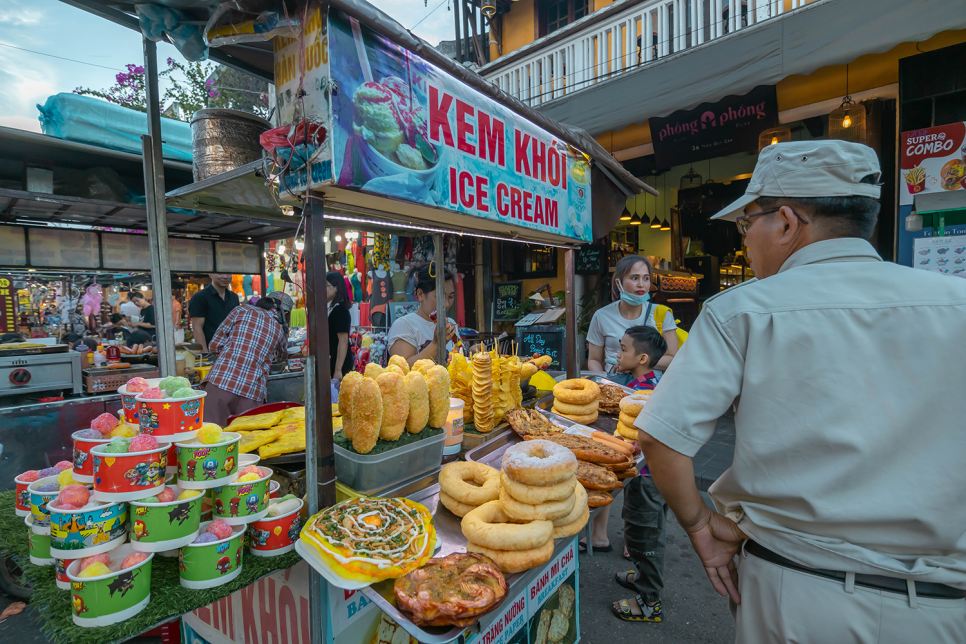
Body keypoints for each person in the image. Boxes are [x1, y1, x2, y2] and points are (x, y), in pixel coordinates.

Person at [636, 140, 966, 643]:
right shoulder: (957, 303)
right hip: (943, 608)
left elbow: (662, 438)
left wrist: (700, 525)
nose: (746, 240)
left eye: (748, 224)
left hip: (797, 594)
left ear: (787, 222)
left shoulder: (741, 311)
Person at [582, 255, 680, 552]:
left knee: (644, 464)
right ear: (619, 282)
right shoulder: (602, 316)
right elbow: (594, 358)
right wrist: (606, 381)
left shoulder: (662, 313)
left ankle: (635, 539)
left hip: (651, 396)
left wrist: (636, 361)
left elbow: (675, 358)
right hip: (613, 396)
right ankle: (599, 534)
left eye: (646, 278)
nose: (641, 284)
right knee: (611, 459)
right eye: (634, 278)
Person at [606, 325, 669, 621]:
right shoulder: (645, 384)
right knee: (638, 527)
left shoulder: (645, 397)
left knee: (646, 537)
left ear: (642, 358)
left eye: (623, 349)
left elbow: (637, 442)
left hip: (647, 478)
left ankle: (649, 601)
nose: (618, 353)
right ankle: (640, 575)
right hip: (644, 478)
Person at [203, 297, 286, 427]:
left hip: (221, 382)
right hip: (252, 392)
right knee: (246, 442)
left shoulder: (240, 310)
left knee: (211, 436)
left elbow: (214, 345)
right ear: (282, 312)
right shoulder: (279, 328)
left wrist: (234, 352)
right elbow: (281, 358)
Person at [387, 263, 457, 367]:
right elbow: (403, 369)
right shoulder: (405, 326)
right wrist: (436, 344)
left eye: (450, 297)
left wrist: (472, 352)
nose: (446, 304)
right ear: (420, 294)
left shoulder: (450, 323)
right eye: (440, 297)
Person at [188, 274, 239, 353]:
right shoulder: (200, 297)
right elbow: (197, 327)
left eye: (228, 273)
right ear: (210, 274)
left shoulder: (234, 297)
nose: (225, 276)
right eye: (220, 273)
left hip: (232, 352)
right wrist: (205, 354)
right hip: (211, 352)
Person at [610, 325, 667, 391]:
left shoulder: (642, 391)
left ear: (642, 359)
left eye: (623, 350)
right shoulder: (646, 382)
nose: (618, 355)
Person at [326, 271, 352, 382]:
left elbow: (343, 341)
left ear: (337, 288)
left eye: (326, 286)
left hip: (339, 362)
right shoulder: (330, 307)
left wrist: (338, 369)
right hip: (332, 358)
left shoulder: (340, 310)